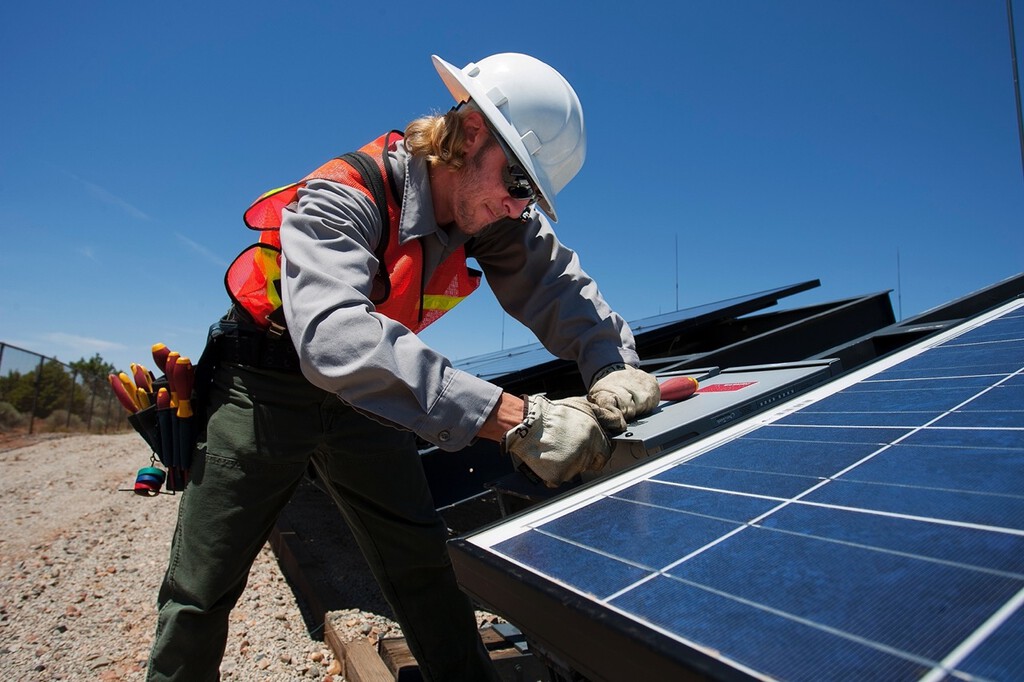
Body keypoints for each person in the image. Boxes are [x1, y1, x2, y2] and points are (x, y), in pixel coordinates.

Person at [146, 52, 661, 681]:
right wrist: (516, 419)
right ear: (470, 135)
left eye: (530, 194)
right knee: (203, 587)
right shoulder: (345, 193)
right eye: (518, 183)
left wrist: (613, 366)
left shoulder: (490, 212)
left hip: (362, 399)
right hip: (264, 384)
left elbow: (558, 285)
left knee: (420, 564)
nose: (516, 206)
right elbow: (336, 336)